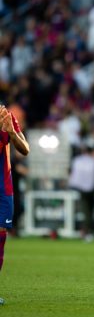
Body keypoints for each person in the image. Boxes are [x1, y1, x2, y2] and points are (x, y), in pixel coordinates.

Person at [0, 105, 30, 305]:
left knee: (1, 236)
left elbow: (25, 149)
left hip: (3, 187)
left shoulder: (6, 116)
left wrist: (11, 132)